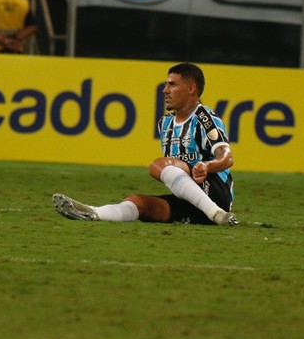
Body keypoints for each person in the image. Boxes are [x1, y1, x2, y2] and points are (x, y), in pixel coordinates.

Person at [53, 62, 237, 226]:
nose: (165, 90)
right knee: (138, 203)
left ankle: (217, 213)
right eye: (166, 84)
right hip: (190, 202)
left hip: (213, 192)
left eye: (172, 84)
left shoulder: (205, 118)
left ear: (191, 88)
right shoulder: (165, 124)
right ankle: (93, 212)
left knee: (159, 164)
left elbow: (227, 157)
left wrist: (207, 165)